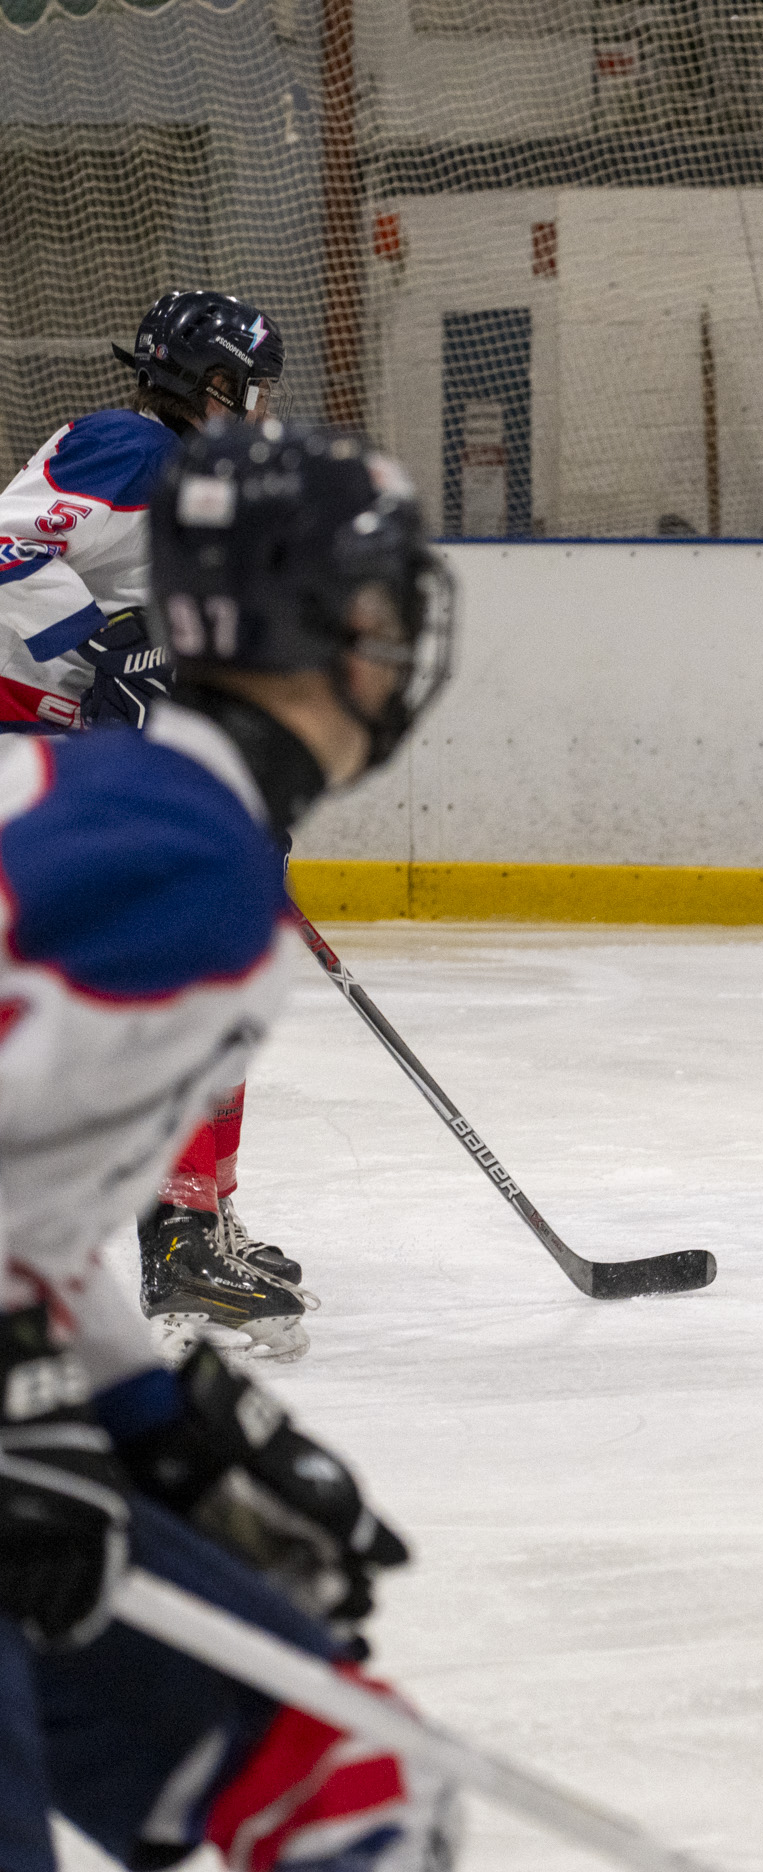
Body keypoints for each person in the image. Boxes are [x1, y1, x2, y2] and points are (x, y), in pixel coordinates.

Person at [0, 416, 460, 1872]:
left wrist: (153, 1415)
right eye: (381, 607)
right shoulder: (180, 853)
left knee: (350, 1777)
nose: (402, 645)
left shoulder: (139, 817)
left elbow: (31, 1216)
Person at [0, 289, 311, 1350]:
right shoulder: (127, 447)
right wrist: (100, 648)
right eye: (249, 386)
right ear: (209, 383)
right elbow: (4, 552)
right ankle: (173, 1235)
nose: (260, 409)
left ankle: (195, 1221)